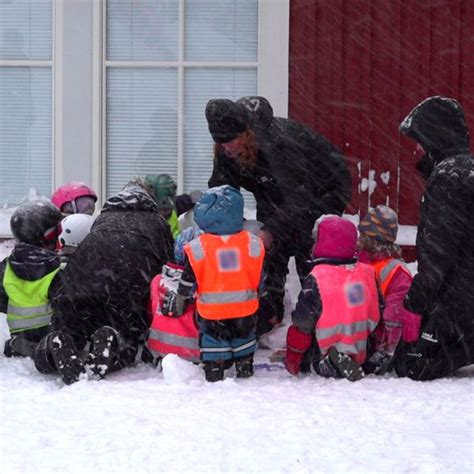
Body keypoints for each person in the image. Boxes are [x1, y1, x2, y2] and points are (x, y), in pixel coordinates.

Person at [205, 96, 352, 335]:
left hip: (323, 191)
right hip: (273, 192)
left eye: (231, 141)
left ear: (247, 133)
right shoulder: (226, 150)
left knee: (308, 249)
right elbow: (222, 191)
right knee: (267, 256)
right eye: (220, 142)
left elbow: (298, 199)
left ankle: (316, 317)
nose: (226, 147)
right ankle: (268, 314)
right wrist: (222, 225)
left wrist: (272, 230)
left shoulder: (280, 145)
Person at [33, 178, 174, 384]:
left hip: (79, 284)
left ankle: (54, 345)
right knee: (127, 340)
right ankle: (113, 342)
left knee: (73, 326)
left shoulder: (102, 219)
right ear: (149, 199)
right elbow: (167, 267)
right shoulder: (158, 224)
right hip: (125, 293)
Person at [395, 96, 474, 380]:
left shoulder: (449, 177)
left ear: (434, 134)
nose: (417, 147)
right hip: (463, 291)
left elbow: (439, 254)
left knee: (411, 364)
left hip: (462, 299)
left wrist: (414, 305)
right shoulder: (467, 169)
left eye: (419, 138)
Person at [169, 185, 265, 382]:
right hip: (245, 307)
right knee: (244, 335)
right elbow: (260, 272)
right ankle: (244, 362)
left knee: (213, 338)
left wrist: (183, 295)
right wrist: (261, 291)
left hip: (213, 310)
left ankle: (215, 366)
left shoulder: (198, 247)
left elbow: (189, 277)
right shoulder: (251, 242)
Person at [284, 216, 380, 381]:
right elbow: (376, 310)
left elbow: (303, 321)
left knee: (301, 336)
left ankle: (328, 363)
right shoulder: (365, 273)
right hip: (360, 345)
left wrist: (293, 356)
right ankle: (354, 359)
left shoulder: (319, 276)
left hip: (325, 346)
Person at [356, 205, 422, 375]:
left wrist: (386, 351)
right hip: (362, 332)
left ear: (372, 239)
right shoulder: (360, 262)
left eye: (363, 235)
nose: (359, 239)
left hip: (377, 338)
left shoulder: (395, 271)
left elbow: (395, 316)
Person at [0, 200, 62, 359]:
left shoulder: (6, 267)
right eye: (56, 233)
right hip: (53, 331)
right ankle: (43, 349)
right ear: (45, 238)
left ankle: (21, 345)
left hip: (21, 332)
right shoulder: (56, 268)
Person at [146, 225, 203, 364]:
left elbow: (150, 314)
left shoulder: (158, 281)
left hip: (158, 350)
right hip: (194, 353)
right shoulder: (202, 285)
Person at [144, 174, 202, 239]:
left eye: (168, 205)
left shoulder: (177, 204)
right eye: (161, 207)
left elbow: (195, 197)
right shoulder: (144, 217)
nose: (165, 209)